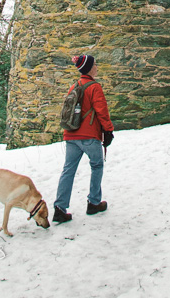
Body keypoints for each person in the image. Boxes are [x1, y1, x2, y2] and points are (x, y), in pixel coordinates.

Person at [53, 53, 114, 223]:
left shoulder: (74, 86)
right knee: (97, 165)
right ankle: (94, 202)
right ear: (89, 68)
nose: (96, 67)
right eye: (94, 64)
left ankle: (60, 208)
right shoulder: (94, 87)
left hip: (71, 134)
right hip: (88, 135)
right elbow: (102, 111)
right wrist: (108, 131)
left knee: (68, 169)